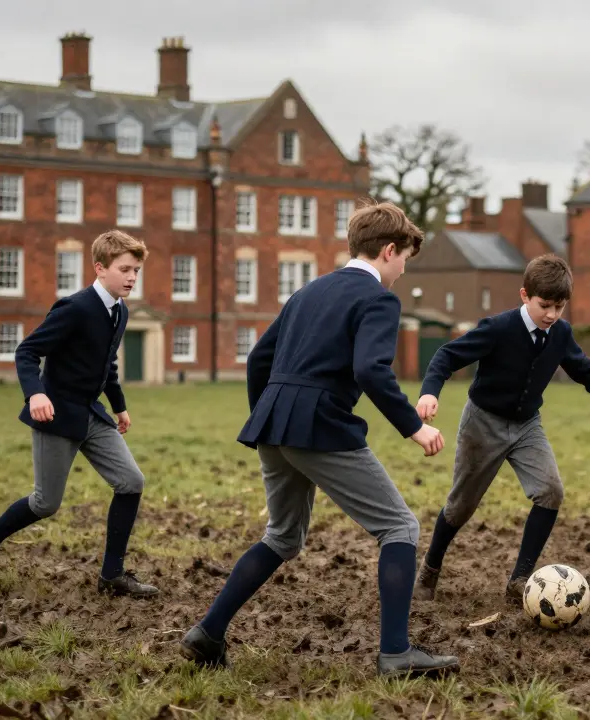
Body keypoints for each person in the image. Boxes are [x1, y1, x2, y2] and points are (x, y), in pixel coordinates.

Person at [179, 202, 460, 677]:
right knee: (399, 529)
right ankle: (396, 653)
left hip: (272, 421)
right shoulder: (379, 299)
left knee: (283, 536)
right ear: (388, 250)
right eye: (404, 259)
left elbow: (257, 362)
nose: (403, 271)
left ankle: (207, 633)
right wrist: (415, 427)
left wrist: (268, 416)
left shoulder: (308, 291)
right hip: (318, 424)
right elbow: (370, 370)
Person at [413, 255, 590, 602]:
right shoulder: (498, 328)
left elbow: (583, 368)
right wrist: (428, 393)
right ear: (525, 295)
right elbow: (447, 356)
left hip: (527, 425)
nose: (552, 315)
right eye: (545, 305)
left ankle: (520, 580)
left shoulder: (560, 333)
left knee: (551, 491)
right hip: (483, 424)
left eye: (559, 307)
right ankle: (430, 569)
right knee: (460, 507)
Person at [0, 230, 157, 599]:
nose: (132, 277)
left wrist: (118, 405)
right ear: (100, 268)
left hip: (91, 415)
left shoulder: (120, 311)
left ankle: (112, 575)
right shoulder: (75, 307)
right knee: (45, 503)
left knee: (132, 481)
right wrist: (34, 393)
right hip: (56, 415)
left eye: (136, 270)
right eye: (125, 269)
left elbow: (107, 364)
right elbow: (27, 352)